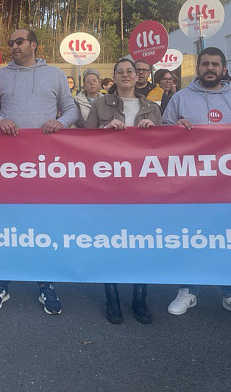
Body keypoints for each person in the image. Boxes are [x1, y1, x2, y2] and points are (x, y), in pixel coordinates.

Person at [0, 28, 79, 315]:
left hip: (44, 165)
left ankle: (45, 283)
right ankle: (2, 282)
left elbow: (71, 109)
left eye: (19, 41)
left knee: (42, 224)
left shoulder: (56, 75)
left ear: (34, 44)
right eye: (10, 42)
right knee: (7, 224)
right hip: (9, 166)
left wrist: (60, 122)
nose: (13, 46)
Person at [162, 47, 231, 322]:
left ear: (224, 68)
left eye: (215, 64)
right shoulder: (180, 98)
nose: (210, 68)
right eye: (205, 64)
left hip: (230, 186)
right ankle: (187, 289)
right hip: (189, 185)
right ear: (198, 68)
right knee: (188, 236)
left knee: (228, 238)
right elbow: (161, 137)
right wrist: (174, 128)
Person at [86, 58, 162, 324]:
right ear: (114, 77)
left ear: (140, 75)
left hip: (143, 189)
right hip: (109, 187)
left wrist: (153, 133)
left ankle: (140, 298)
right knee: (110, 242)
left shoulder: (152, 107)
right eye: (121, 71)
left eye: (132, 71)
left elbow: (164, 150)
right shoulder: (99, 105)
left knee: (142, 243)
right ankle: (112, 297)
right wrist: (104, 130)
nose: (127, 75)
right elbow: (84, 143)